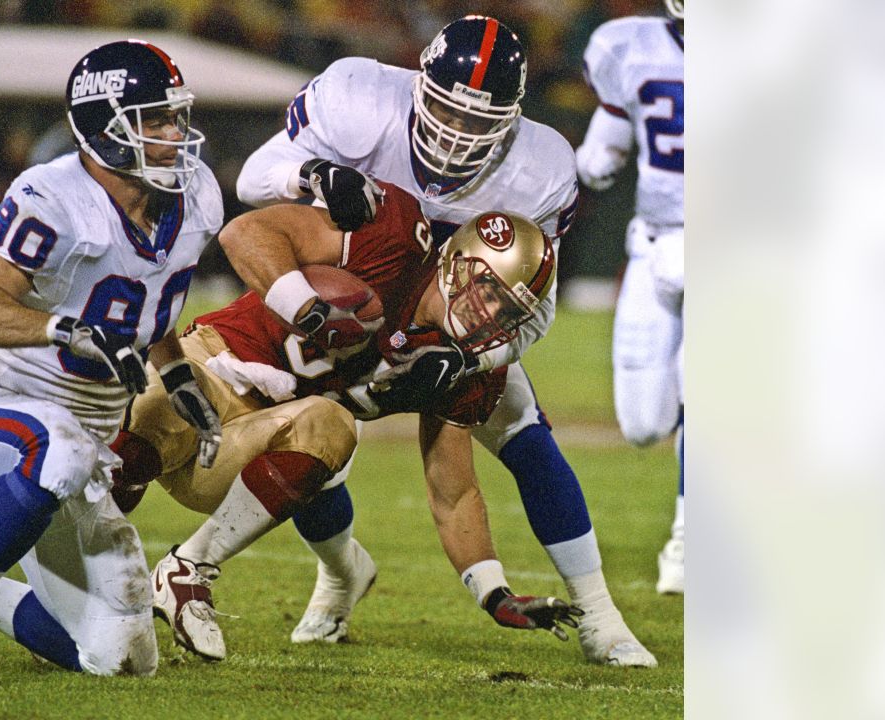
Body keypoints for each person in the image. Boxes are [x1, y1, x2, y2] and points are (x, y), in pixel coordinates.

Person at [234, 15, 656, 666]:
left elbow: (534, 306)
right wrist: (316, 179)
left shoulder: (541, 168)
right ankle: (341, 573)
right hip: (358, 305)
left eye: (479, 124)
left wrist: (470, 354)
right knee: (303, 445)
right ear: (418, 87)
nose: (457, 136)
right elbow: (254, 181)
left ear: (513, 119)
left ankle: (599, 616)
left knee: (522, 427)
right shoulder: (359, 98)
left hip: (452, 319)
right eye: (447, 114)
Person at [0, 39, 225, 687]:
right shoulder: (54, 196)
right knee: (59, 446)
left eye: (174, 116)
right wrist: (64, 331)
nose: (174, 134)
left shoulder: (193, 195)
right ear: (107, 128)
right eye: (155, 120)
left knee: (120, 657)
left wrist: (176, 375)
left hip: (81, 451)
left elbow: (148, 302)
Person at [125, 182, 582, 660]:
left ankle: (188, 570)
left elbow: (454, 493)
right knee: (130, 452)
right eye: (489, 292)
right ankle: (82, 598)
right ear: (458, 262)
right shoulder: (397, 237)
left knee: (332, 424)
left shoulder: (467, 370)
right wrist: (311, 312)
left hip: (258, 440)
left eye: (507, 311)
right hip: (212, 369)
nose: (490, 316)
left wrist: (495, 594)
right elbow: (245, 233)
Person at [576, 0, 684, 594]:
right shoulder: (630, 46)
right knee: (643, 423)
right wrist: (594, 160)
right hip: (655, 242)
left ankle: (693, 536)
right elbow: (611, 134)